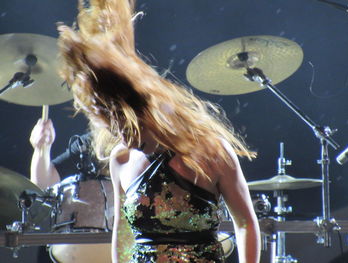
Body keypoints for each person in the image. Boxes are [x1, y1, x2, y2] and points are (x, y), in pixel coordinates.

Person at [57, 0, 261, 262]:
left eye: (122, 124)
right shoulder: (122, 159)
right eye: (110, 127)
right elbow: (123, 235)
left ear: (140, 112)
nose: (120, 136)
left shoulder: (210, 151)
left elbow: (246, 223)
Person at [29, 118, 134, 263]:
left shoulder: (150, 144)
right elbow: (42, 184)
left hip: (143, 239)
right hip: (83, 244)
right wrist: (42, 149)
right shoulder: (89, 144)